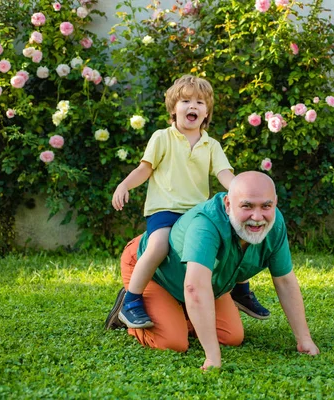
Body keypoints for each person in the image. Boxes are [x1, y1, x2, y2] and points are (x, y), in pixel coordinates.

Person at [105, 172, 319, 369]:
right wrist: (213, 357)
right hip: (155, 271)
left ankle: (181, 312)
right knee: (173, 342)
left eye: (266, 206)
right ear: (228, 204)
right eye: (246, 206)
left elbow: (285, 282)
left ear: (275, 203)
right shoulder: (206, 224)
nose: (257, 216)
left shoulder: (275, 225)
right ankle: (129, 306)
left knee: (232, 336)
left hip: (206, 281)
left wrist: (304, 339)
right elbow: (195, 288)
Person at [111, 75, 269, 330]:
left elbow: (225, 175)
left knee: (236, 236)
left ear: (206, 113)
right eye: (185, 101)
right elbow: (144, 169)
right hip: (166, 210)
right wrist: (124, 185)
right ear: (174, 108)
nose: (192, 106)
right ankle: (131, 301)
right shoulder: (162, 137)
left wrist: (245, 191)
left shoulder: (211, 145)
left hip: (197, 213)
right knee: (159, 245)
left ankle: (240, 290)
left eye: (199, 102)